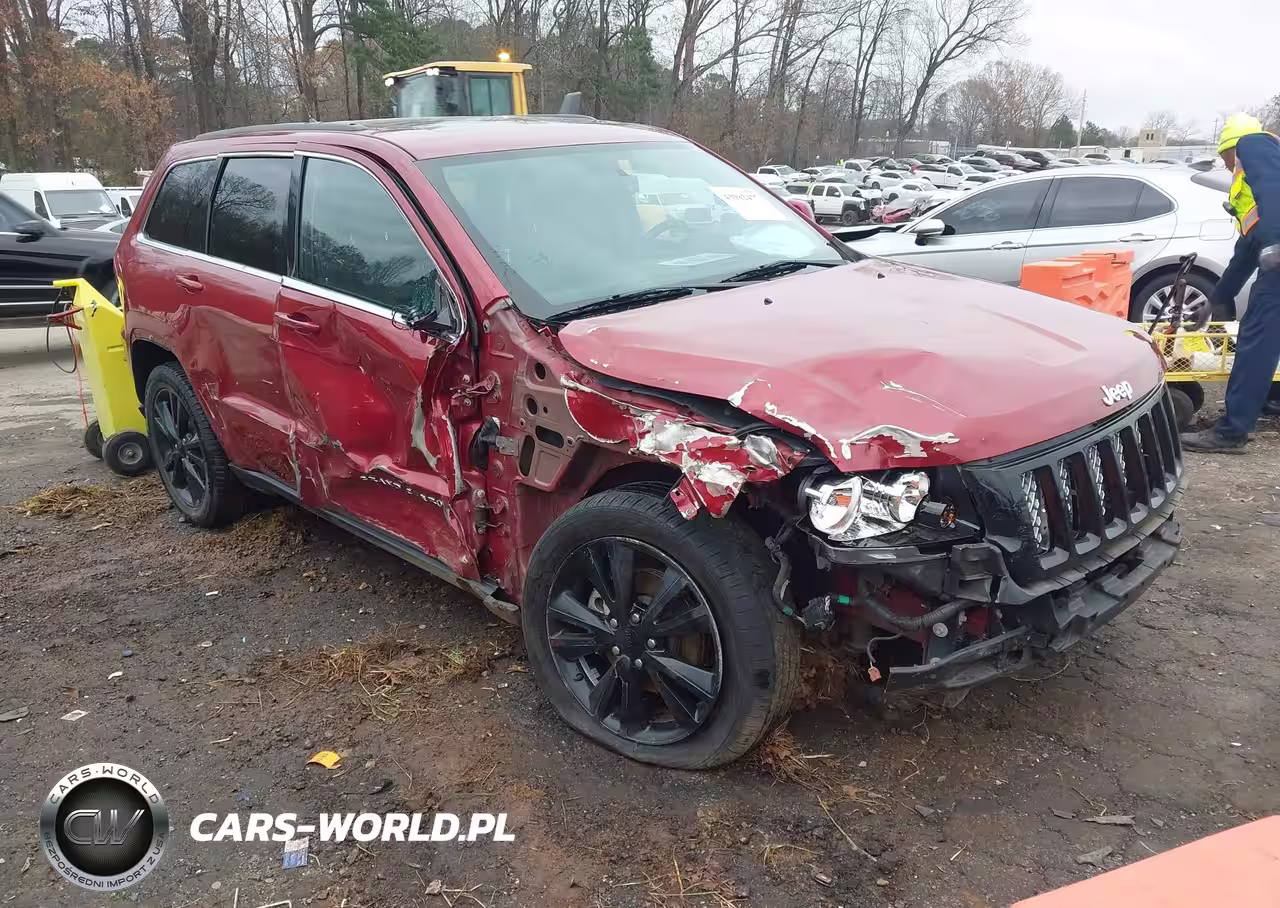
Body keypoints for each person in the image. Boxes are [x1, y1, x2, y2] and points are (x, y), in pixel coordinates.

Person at [1180, 114, 1280, 453]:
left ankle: (1232, 432)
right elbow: (1245, 254)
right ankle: (1265, 402)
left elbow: (1274, 192)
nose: (1226, 167)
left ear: (1230, 148)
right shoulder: (1257, 204)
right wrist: (1214, 301)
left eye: (1224, 157)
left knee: (1256, 340)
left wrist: (1275, 245)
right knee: (1265, 339)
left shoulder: (1254, 144)